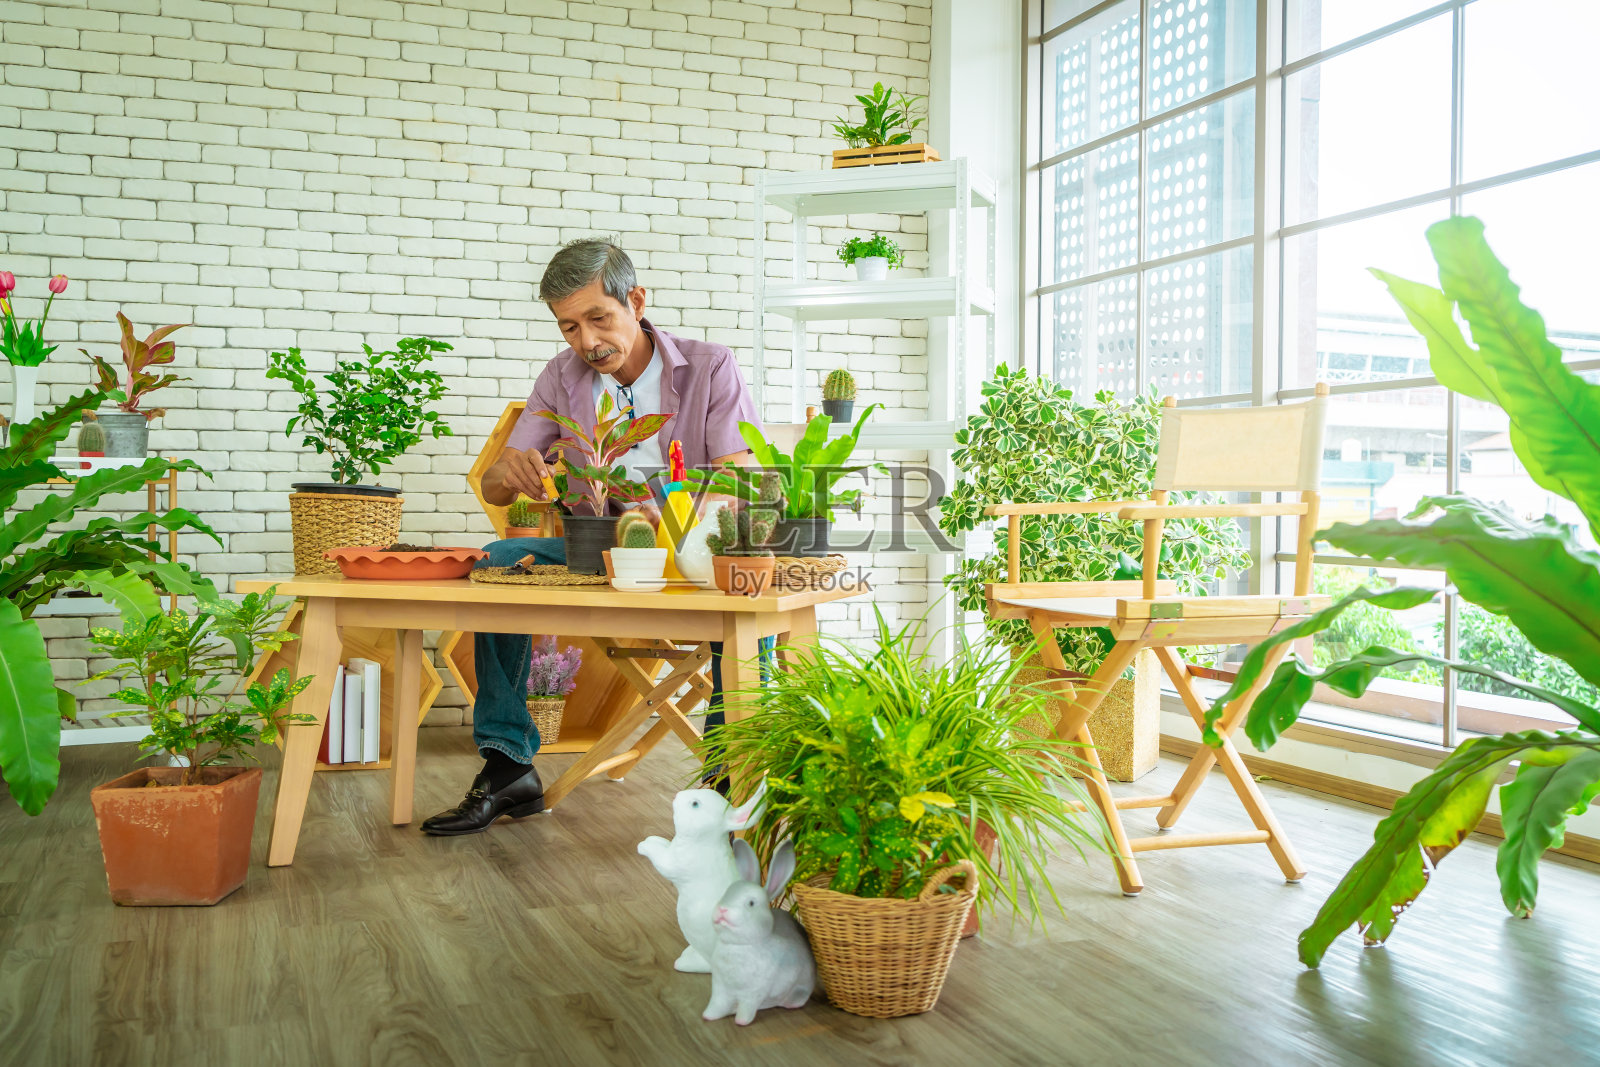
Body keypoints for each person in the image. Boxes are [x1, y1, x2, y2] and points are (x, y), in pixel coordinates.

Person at [421, 238, 761, 836]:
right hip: (597, 550)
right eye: (569, 327)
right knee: (501, 560)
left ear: (636, 300)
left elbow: (743, 475)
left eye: (599, 319)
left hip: (686, 556)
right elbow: (499, 486)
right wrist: (514, 470)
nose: (586, 342)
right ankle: (507, 766)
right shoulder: (561, 376)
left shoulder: (710, 366)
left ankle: (730, 774)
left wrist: (672, 509)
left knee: (748, 590)